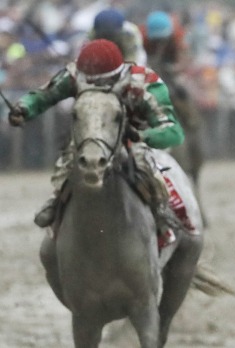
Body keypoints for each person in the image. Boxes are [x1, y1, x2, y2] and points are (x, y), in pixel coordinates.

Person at [8, 39, 185, 244]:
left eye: (101, 84)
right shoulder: (74, 74)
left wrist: (144, 137)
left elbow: (173, 131)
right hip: (89, 134)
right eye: (89, 83)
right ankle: (57, 202)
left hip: (133, 135)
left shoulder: (144, 83)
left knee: (144, 162)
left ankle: (160, 212)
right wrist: (24, 108)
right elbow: (44, 95)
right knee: (69, 158)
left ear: (117, 76)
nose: (95, 88)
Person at [140, 10, 203, 182]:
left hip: (170, 72)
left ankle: (191, 120)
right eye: (157, 40)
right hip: (150, 71)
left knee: (181, 91)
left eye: (163, 39)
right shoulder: (143, 37)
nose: (160, 42)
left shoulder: (177, 36)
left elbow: (185, 59)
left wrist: (175, 70)